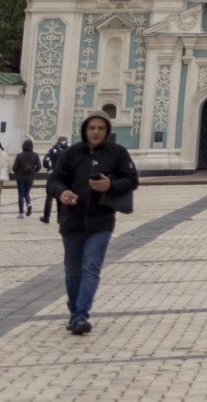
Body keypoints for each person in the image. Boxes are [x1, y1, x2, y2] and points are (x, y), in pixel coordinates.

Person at [49, 111, 137, 334]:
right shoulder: (71, 154)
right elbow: (54, 180)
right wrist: (62, 192)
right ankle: (74, 311)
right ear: (85, 130)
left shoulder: (117, 153)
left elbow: (131, 180)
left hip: (101, 221)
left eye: (100, 128)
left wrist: (111, 186)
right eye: (92, 128)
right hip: (72, 220)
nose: (96, 132)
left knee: (91, 268)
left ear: (107, 131)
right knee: (72, 271)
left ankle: (80, 316)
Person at [38, 135, 67, 224]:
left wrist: (50, 168)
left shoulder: (52, 150)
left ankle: (46, 217)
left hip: (53, 176)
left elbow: (45, 161)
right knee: (60, 196)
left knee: (49, 196)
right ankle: (60, 218)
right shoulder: (69, 150)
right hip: (64, 176)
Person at [13, 138, 41, 216]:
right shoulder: (35, 155)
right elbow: (39, 166)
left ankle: (21, 213)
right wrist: (34, 172)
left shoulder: (19, 155)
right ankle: (29, 204)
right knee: (27, 193)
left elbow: (14, 167)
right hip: (30, 177)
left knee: (21, 195)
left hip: (21, 177)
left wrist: (18, 173)